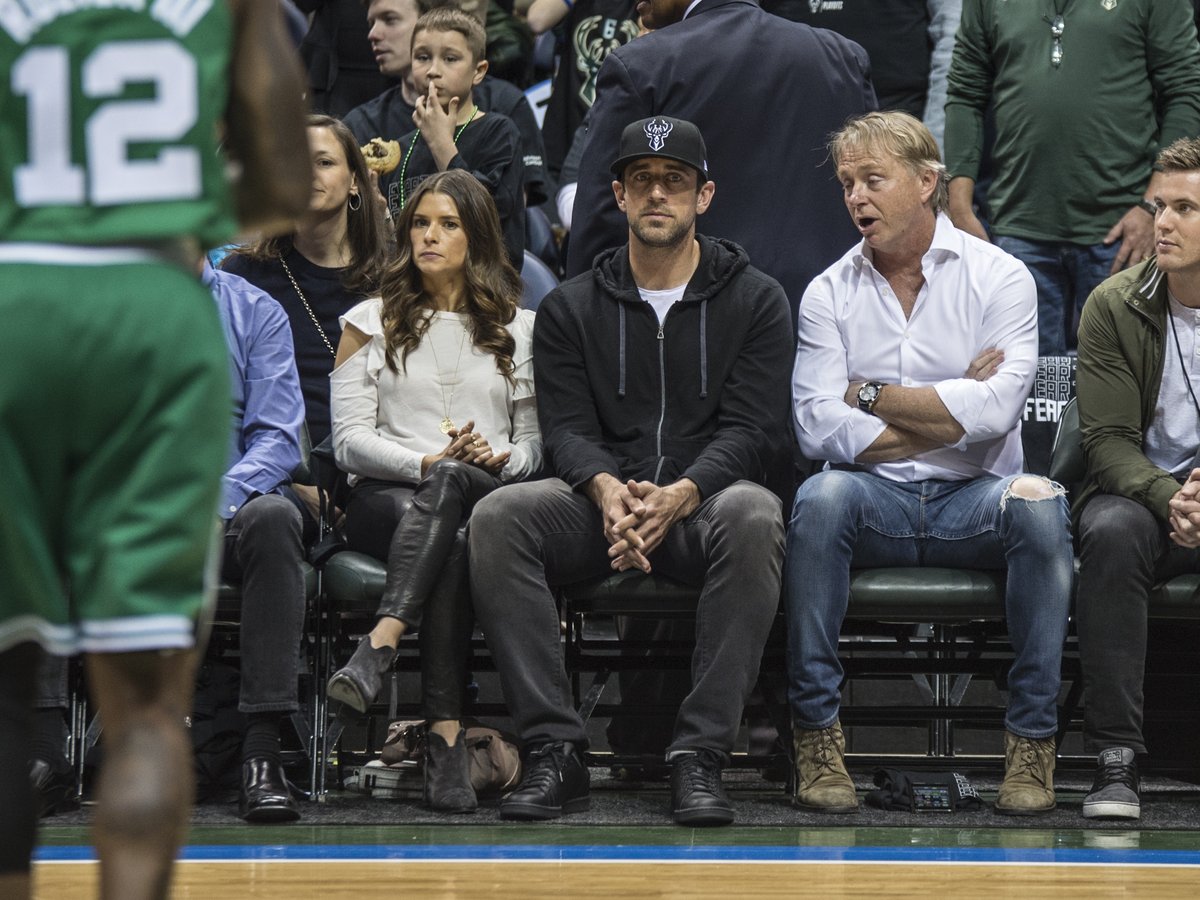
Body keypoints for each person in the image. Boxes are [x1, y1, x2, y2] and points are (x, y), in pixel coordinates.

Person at [0, 3, 310, 899]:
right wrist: (173, 210)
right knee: (142, 711)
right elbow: (287, 179)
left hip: (14, 292)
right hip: (154, 300)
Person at [469, 117, 793, 826]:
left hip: (702, 506)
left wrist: (682, 493)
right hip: (599, 509)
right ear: (616, 193)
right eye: (641, 180)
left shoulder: (756, 299)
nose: (657, 194)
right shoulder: (568, 305)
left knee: (757, 514)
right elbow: (567, 429)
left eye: (674, 181)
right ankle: (555, 750)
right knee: (499, 517)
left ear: (703, 196)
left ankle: (699, 755)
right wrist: (608, 489)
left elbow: (755, 430)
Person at [786, 111, 1072, 816]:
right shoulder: (829, 291)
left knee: (1039, 502)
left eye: (873, 180)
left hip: (975, 499)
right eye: (848, 183)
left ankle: (1032, 744)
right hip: (872, 500)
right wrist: (953, 416)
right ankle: (817, 740)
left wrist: (872, 393)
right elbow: (816, 424)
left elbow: (999, 413)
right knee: (819, 498)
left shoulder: (1000, 277)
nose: (856, 196)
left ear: (926, 182)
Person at [325, 169, 540, 812]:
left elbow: (535, 447)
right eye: (420, 223)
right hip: (387, 496)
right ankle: (445, 739)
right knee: (447, 522)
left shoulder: (521, 328)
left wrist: (497, 458)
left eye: (448, 224)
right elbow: (347, 441)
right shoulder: (367, 321)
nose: (430, 236)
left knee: (456, 500)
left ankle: (381, 645)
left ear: (476, 236)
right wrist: (425, 462)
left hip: (483, 491)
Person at [564, 0, 875, 321]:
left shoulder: (642, 64)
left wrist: (581, 324)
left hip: (696, 332)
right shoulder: (844, 57)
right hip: (834, 320)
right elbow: (875, 194)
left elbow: (601, 216)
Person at [944, 0, 1200, 355]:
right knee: (1020, 394)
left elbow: (1186, 91)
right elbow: (964, 92)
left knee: (1128, 387)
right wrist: (958, 207)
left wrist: (1151, 204)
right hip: (1016, 228)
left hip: (1123, 226)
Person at [1072, 138, 1200, 821]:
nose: (1164, 223)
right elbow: (1109, 443)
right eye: (1158, 206)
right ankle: (1116, 760)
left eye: (1185, 207)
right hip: (1147, 499)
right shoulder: (1115, 304)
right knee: (1110, 528)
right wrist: (1171, 497)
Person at [205, 263, 309, 825]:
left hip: (224, 513)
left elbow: (277, 438)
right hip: (128, 513)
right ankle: (45, 750)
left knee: (273, 516)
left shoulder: (254, 310)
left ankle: (261, 754)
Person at [223, 113, 390, 453]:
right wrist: (292, 479)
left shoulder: (396, 276)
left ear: (355, 180)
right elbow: (227, 400)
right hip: (276, 470)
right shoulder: (243, 275)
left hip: (380, 463)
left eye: (325, 162)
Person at [345, 0, 548, 207]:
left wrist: (441, 145)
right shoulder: (377, 130)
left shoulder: (500, 123)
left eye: (390, 19)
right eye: (423, 57)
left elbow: (502, 214)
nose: (373, 34)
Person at [375, 7, 526, 268]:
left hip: (484, 291)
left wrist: (441, 145)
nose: (433, 70)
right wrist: (378, 214)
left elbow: (490, 216)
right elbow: (398, 244)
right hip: (413, 291)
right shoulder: (400, 147)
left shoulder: (500, 133)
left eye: (450, 59)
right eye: (422, 57)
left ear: (478, 71)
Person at [763, 0, 961, 151]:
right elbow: (740, 24)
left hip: (900, 133)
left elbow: (954, 38)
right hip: (792, 134)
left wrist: (935, 145)